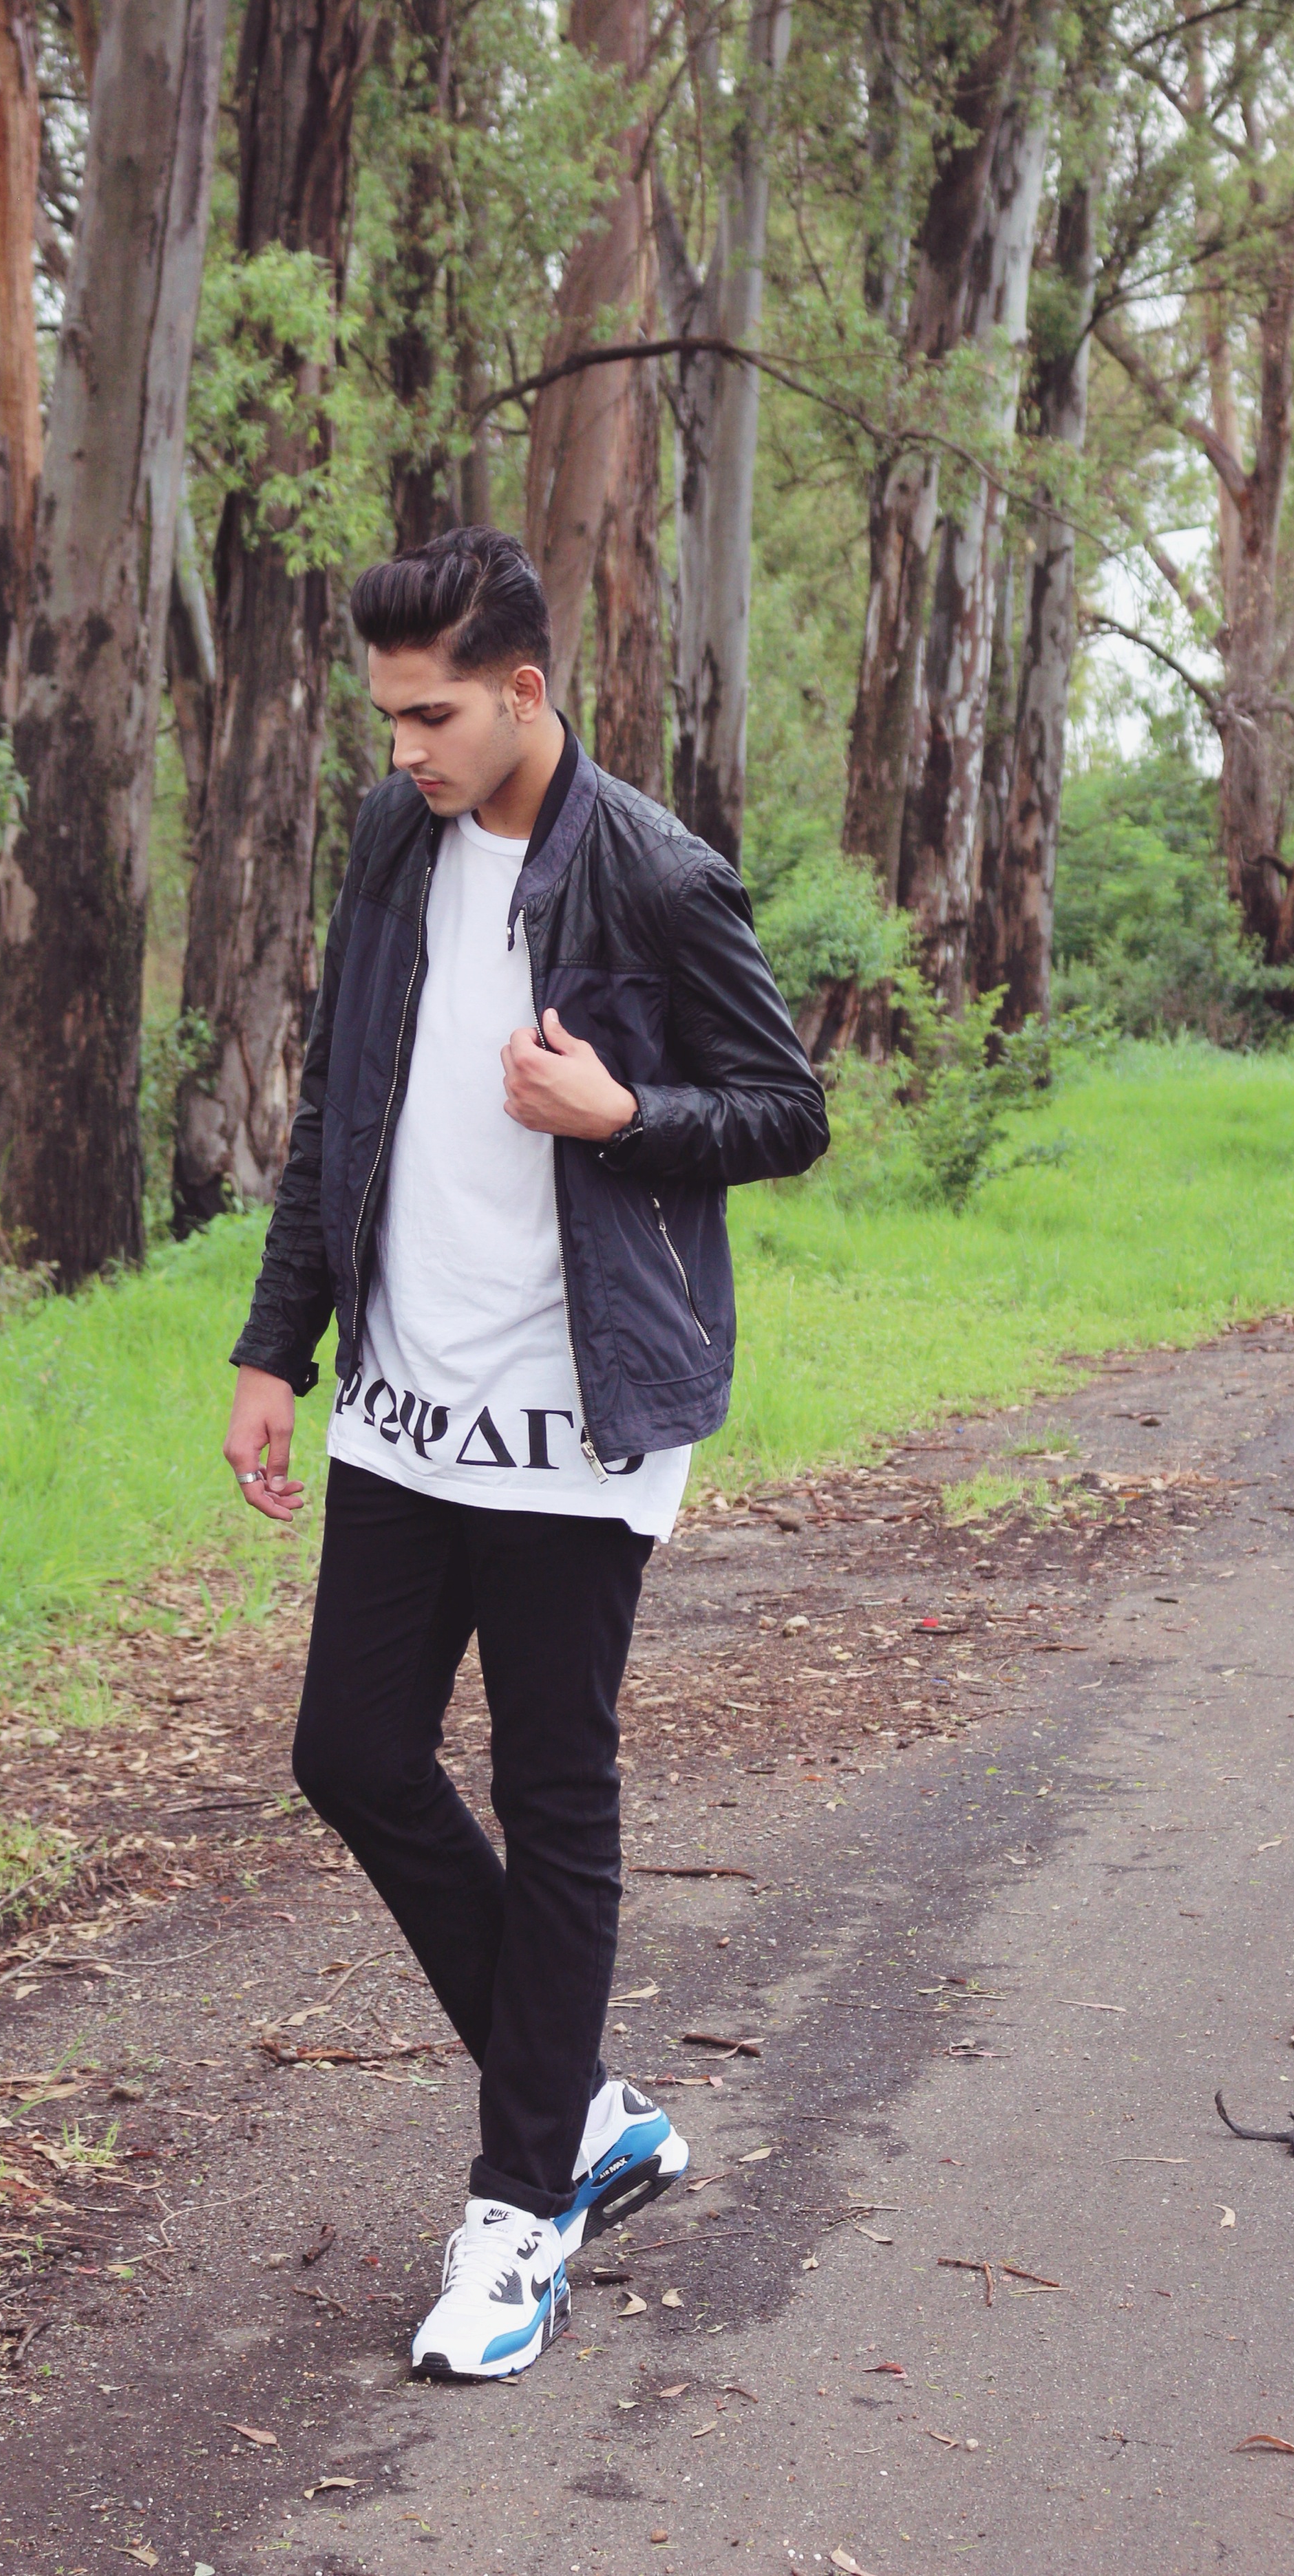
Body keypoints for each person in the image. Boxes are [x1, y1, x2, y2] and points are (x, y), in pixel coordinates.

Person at [222, 526, 828, 2379]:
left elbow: (787, 1111)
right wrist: (274, 1345)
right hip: (408, 1399)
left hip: (577, 1419)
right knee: (350, 1752)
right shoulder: (392, 839)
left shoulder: (652, 871)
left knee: (556, 1793)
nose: (406, 746)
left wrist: (622, 1110)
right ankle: (580, 2111)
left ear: (525, 692)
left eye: (435, 715)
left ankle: (518, 2214)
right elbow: (338, 1104)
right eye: (388, 716)